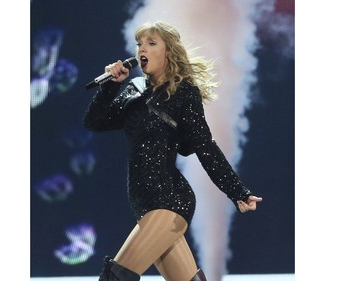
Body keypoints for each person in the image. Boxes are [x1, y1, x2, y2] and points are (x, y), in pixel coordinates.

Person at [83, 20, 262, 281]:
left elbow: (205, 147)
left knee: (115, 278)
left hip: (169, 200)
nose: (142, 48)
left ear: (168, 53)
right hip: (143, 202)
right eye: (139, 44)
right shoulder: (134, 91)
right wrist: (111, 85)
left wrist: (237, 192)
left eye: (151, 43)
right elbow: (94, 122)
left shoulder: (183, 94)